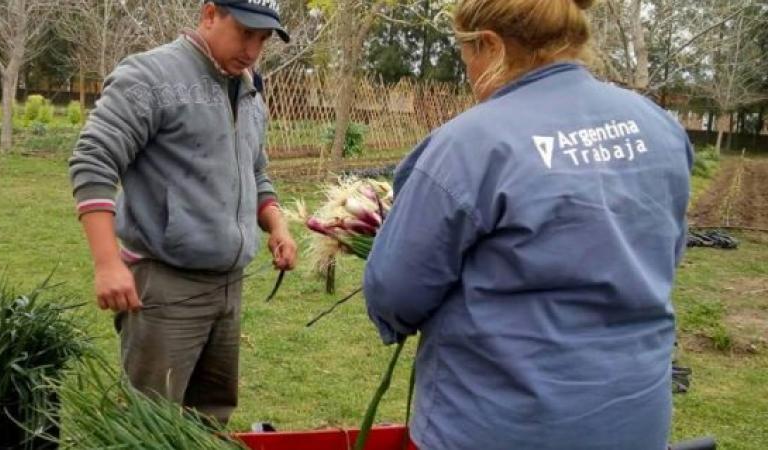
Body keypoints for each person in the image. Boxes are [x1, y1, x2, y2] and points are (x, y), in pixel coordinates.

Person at [362, 0, 692, 449]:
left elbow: (395, 290)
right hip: (634, 420)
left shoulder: (469, 144)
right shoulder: (657, 126)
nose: (470, 76)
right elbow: (665, 253)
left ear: (491, 46)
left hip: (501, 425)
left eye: (467, 58)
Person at [68, 0, 297, 425]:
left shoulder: (248, 89)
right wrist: (107, 263)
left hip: (229, 287)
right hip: (165, 284)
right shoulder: (151, 77)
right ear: (210, 14)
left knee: (210, 419)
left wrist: (277, 225)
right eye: (245, 32)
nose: (252, 48)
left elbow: (256, 171)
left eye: (262, 39)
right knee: (149, 422)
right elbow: (93, 160)